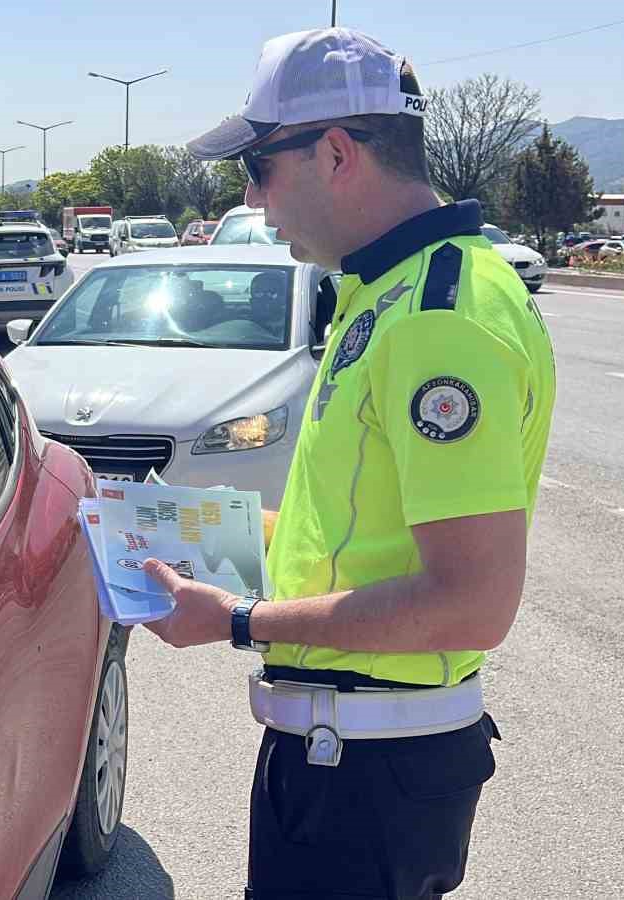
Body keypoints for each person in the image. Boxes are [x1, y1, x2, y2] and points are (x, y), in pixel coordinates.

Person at [142, 27, 557, 899]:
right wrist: (183, 528)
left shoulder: (437, 316)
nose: (253, 200)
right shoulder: (390, 287)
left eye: (256, 167)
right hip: (344, 754)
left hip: (367, 768)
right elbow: (357, 538)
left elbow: (471, 602)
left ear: (334, 153)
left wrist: (241, 620)